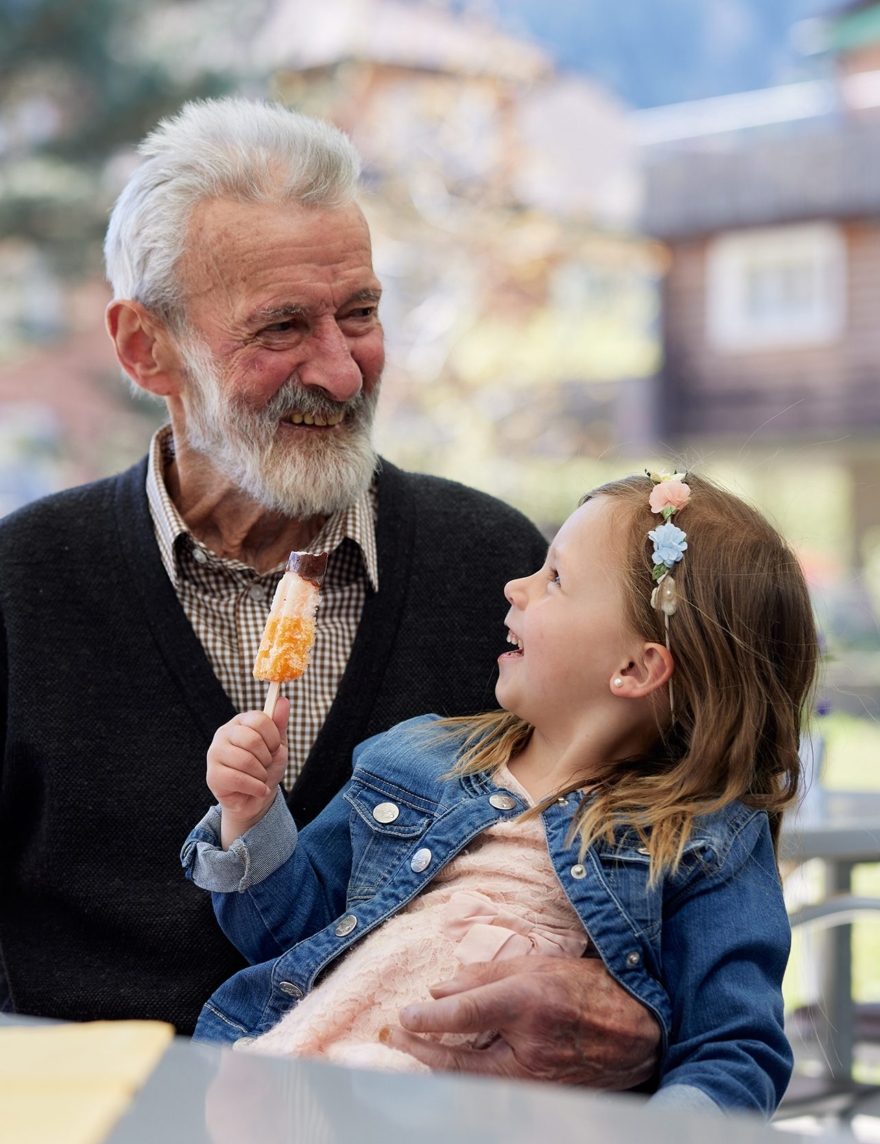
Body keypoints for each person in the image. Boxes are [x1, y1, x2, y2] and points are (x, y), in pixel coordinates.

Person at [0, 95, 659, 1086]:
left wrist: (640, 1009)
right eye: (280, 328)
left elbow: (664, 843)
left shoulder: (498, 568)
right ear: (146, 348)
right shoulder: (22, 585)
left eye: (360, 313)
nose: (344, 373)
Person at [183, 470, 819, 1116]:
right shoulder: (414, 758)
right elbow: (288, 933)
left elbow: (734, 1051)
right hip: (295, 1090)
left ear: (634, 668)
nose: (517, 587)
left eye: (556, 579)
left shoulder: (704, 838)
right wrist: (251, 814)